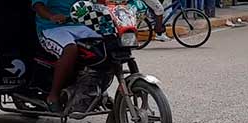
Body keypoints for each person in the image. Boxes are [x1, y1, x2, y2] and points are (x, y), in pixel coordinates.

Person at [32, 0, 166, 112]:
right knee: (70, 49)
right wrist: (51, 16)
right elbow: (38, 6)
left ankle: (94, 87)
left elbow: (98, 3)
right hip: (51, 28)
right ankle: (53, 96)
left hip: (78, 26)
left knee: (108, 43)